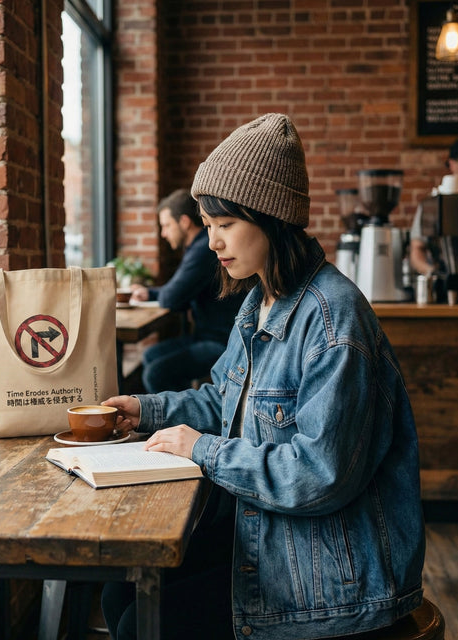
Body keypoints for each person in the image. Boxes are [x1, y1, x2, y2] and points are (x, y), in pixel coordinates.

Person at [101, 114, 425, 640]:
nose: (212, 244)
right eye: (207, 227)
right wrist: (147, 409)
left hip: (331, 579)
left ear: (270, 216)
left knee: (144, 620)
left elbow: (320, 474)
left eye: (224, 225)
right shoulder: (261, 301)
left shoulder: (333, 320)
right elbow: (224, 399)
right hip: (276, 535)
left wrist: (201, 449)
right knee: (122, 590)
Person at [130, 188, 243, 393]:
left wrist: (159, 294)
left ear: (183, 222)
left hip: (223, 341)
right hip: (208, 335)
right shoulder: (196, 248)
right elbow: (177, 290)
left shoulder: (202, 251)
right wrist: (151, 293)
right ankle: (182, 408)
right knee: (149, 356)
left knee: (156, 373)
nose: (163, 234)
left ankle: (180, 417)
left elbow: (172, 298)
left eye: (166, 226)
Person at [409, 135, 458, 275]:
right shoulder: (432, 204)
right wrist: (432, 273)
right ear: (452, 164)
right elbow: (417, 249)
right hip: (446, 283)